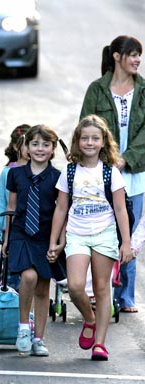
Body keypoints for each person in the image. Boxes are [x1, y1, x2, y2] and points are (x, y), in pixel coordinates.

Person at [48, 115, 132, 361]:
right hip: (77, 234)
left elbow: (120, 209)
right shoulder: (70, 171)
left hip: (104, 234)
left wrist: (125, 242)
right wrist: (54, 241)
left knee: (102, 288)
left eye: (95, 138)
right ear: (77, 141)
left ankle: (100, 343)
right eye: (84, 138)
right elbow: (61, 208)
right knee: (74, 286)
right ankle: (89, 318)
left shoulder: (111, 173)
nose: (89, 143)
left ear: (103, 142)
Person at [80, 35, 145, 313]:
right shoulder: (97, 89)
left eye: (139, 55)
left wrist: (126, 159)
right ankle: (101, 291)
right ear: (117, 56)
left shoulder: (143, 90)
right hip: (103, 173)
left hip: (135, 172)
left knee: (130, 232)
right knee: (106, 230)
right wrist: (107, 159)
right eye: (132, 54)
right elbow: (87, 126)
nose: (137, 60)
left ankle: (126, 295)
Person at [2, 125, 62, 357]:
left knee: (43, 287)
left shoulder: (57, 177)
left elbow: (62, 210)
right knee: (28, 276)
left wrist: (58, 243)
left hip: (46, 236)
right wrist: (6, 238)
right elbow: (11, 207)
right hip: (21, 233)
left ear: (53, 148)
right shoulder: (15, 174)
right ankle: (23, 328)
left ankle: (39, 338)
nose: (40, 149)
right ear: (26, 147)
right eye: (35, 144)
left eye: (45, 144)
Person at [0, 125, 31, 290]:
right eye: (28, 144)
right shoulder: (8, 172)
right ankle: (12, 310)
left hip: (35, 229)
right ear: (16, 146)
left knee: (30, 275)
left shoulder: (38, 170)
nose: (33, 148)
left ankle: (29, 312)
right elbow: (2, 202)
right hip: (12, 230)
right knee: (12, 276)